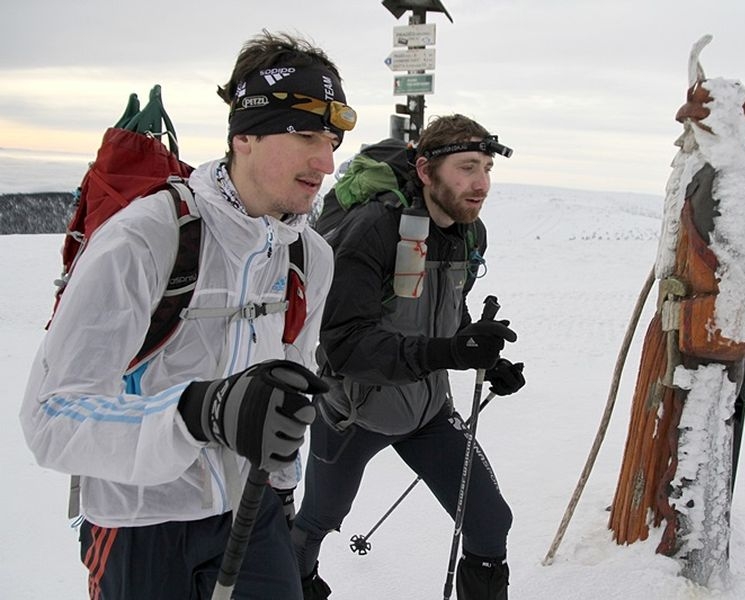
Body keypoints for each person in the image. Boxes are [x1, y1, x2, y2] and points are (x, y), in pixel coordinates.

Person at [19, 30, 355, 599]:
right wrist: (195, 413)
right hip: (137, 522)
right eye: (303, 135)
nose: (324, 160)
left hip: (251, 515)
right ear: (244, 135)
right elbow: (50, 418)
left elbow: (287, 382)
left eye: (330, 140)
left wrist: (282, 492)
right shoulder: (146, 237)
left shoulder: (308, 256)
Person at [294, 114, 526, 600]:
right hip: (352, 414)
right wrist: (448, 351)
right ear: (425, 170)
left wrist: (483, 357)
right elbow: (346, 344)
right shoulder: (373, 230)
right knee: (318, 521)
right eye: (466, 167)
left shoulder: (468, 233)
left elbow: (442, 314)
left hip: (427, 412)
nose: (480, 183)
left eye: (486, 167)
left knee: (489, 521)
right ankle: (295, 588)